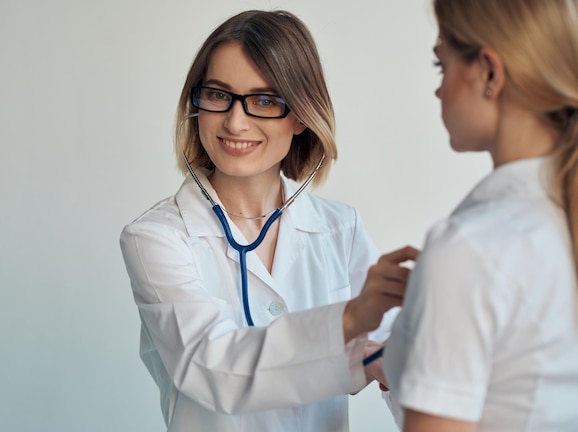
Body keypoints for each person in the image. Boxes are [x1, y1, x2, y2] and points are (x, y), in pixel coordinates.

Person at [120, 9, 416, 432]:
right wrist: (349, 327)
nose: (235, 121)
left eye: (263, 101)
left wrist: (395, 359)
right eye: (218, 95)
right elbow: (211, 368)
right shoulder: (156, 239)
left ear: (300, 115)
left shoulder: (340, 229)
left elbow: (402, 364)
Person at [383, 0, 578, 430]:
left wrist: (444, 290)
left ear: (489, 73)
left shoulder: (468, 249)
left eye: (442, 67)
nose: (439, 89)